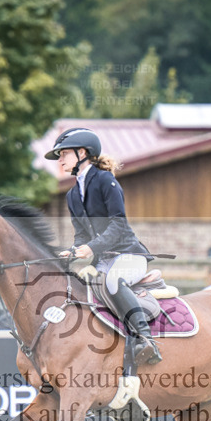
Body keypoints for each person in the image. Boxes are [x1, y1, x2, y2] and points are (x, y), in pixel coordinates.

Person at [44, 127, 162, 369]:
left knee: (113, 281)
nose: (61, 159)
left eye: (64, 153)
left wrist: (90, 248)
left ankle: (145, 339)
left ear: (83, 153)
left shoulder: (105, 180)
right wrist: (74, 251)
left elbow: (118, 225)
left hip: (129, 255)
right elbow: (82, 235)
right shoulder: (72, 195)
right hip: (103, 261)